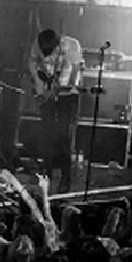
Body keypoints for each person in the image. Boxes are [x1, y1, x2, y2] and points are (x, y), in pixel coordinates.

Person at [27, 29, 84, 194]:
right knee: (47, 132)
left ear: (58, 45)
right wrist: (40, 88)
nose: (47, 57)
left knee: (64, 135)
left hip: (68, 94)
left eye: (50, 53)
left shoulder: (72, 45)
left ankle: (66, 176)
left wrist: (68, 85)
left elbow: (76, 70)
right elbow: (32, 64)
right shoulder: (38, 44)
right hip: (47, 94)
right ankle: (47, 171)